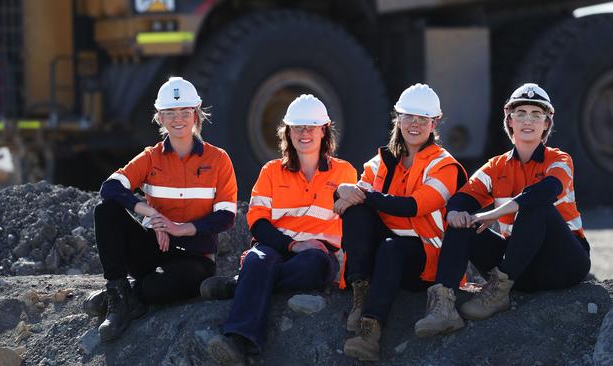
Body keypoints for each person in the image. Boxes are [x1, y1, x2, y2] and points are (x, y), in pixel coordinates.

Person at [414, 83, 591, 336]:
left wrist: (491, 214)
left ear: (546, 124)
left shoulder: (559, 160)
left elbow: (546, 191)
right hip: (521, 268)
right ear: (509, 121)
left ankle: (497, 291)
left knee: (536, 207)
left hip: (564, 263)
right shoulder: (496, 167)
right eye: (520, 113)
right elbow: (463, 198)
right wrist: (455, 213)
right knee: (462, 221)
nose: (527, 120)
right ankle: (443, 306)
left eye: (536, 114)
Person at [200, 94, 357, 365]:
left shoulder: (345, 173)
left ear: (324, 130)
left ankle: (241, 285)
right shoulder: (271, 171)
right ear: (288, 132)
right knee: (259, 259)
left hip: (317, 257)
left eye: (311, 127)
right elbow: (258, 222)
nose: (304, 133)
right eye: (297, 127)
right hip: (274, 248)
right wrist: (294, 245)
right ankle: (239, 340)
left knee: (312, 265)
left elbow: (353, 225)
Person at [83, 77, 238, 342]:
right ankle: (119, 296)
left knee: (156, 290)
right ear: (160, 117)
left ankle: (130, 293)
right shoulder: (150, 157)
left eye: (184, 112)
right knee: (106, 210)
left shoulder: (218, 159)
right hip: (155, 248)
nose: (178, 119)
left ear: (196, 113)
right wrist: (151, 213)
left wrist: (184, 228)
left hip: (195, 258)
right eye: (170, 113)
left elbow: (226, 217)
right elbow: (109, 187)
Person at [336, 84, 467, 362]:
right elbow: (352, 198)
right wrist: (341, 191)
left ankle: (370, 333)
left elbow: (413, 207)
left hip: (425, 258)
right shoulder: (382, 160)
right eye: (409, 117)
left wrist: (360, 194)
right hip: (387, 247)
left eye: (423, 119)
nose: (415, 124)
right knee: (357, 213)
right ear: (398, 117)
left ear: (435, 122)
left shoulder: (445, 166)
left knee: (390, 246)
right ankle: (360, 291)